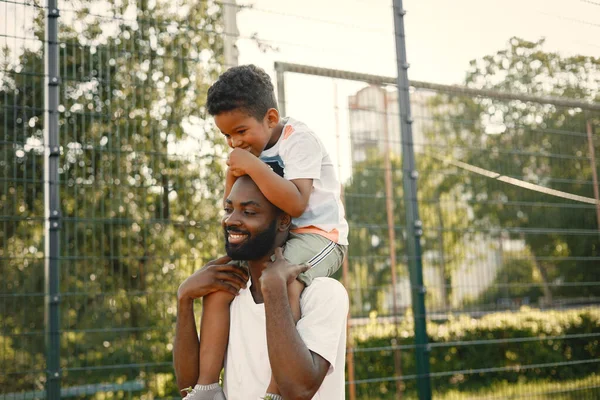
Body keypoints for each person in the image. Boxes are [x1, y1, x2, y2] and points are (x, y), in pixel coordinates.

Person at [190, 64, 349, 399]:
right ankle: (206, 387)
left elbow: (295, 204)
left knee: (285, 279)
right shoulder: (250, 151)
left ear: (271, 119)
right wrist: (236, 169)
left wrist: (251, 164)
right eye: (227, 136)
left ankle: (276, 391)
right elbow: (229, 201)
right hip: (281, 235)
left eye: (241, 131)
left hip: (318, 236)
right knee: (220, 284)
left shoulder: (299, 141)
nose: (235, 141)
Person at [173, 175, 349, 400]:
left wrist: (275, 289)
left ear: (283, 221)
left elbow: (298, 391)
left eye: (249, 212)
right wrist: (184, 299)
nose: (231, 220)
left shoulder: (324, 294)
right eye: (229, 209)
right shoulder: (228, 293)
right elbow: (191, 389)